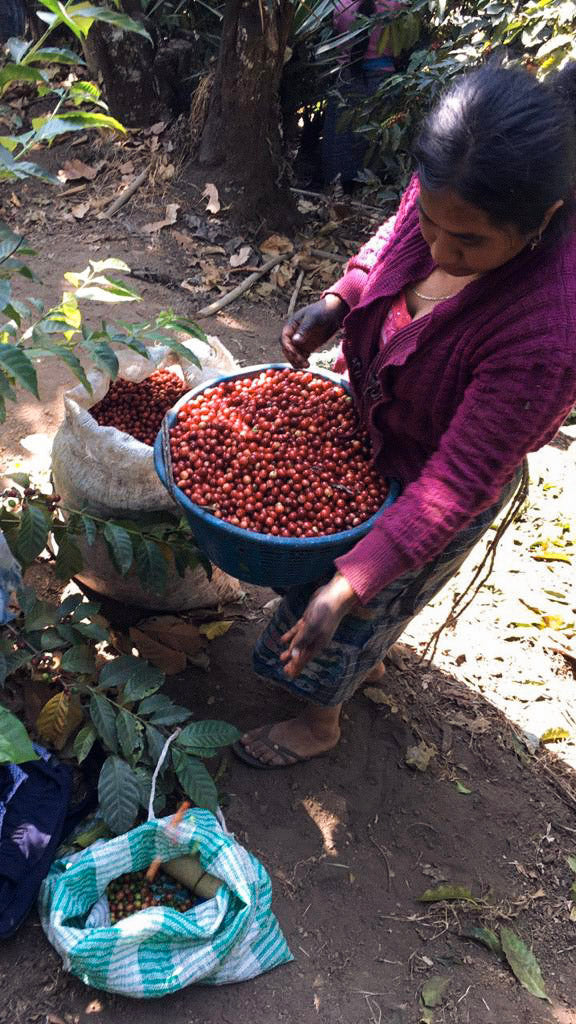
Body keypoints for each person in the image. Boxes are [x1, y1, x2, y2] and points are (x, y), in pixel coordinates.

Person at [234, 63, 576, 768]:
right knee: (340, 587)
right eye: (434, 223)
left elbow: (457, 478)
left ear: (541, 220)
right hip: (379, 425)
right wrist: (340, 301)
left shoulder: (546, 330)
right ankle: (363, 652)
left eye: (470, 244)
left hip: (432, 480)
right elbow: (393, 240)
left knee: (348, 606)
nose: (442, 251)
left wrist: (351, 585)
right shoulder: (452, 188)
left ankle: (318, 721)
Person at [320, 0, 405, 189]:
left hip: (347, 79)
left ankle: (338, 186)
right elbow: (401, 45)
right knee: (377, 139)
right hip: (383, 81)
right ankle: (375, 187)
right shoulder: (395, 5)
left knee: (340, 140)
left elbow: (336, 40)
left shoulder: (341, 5)